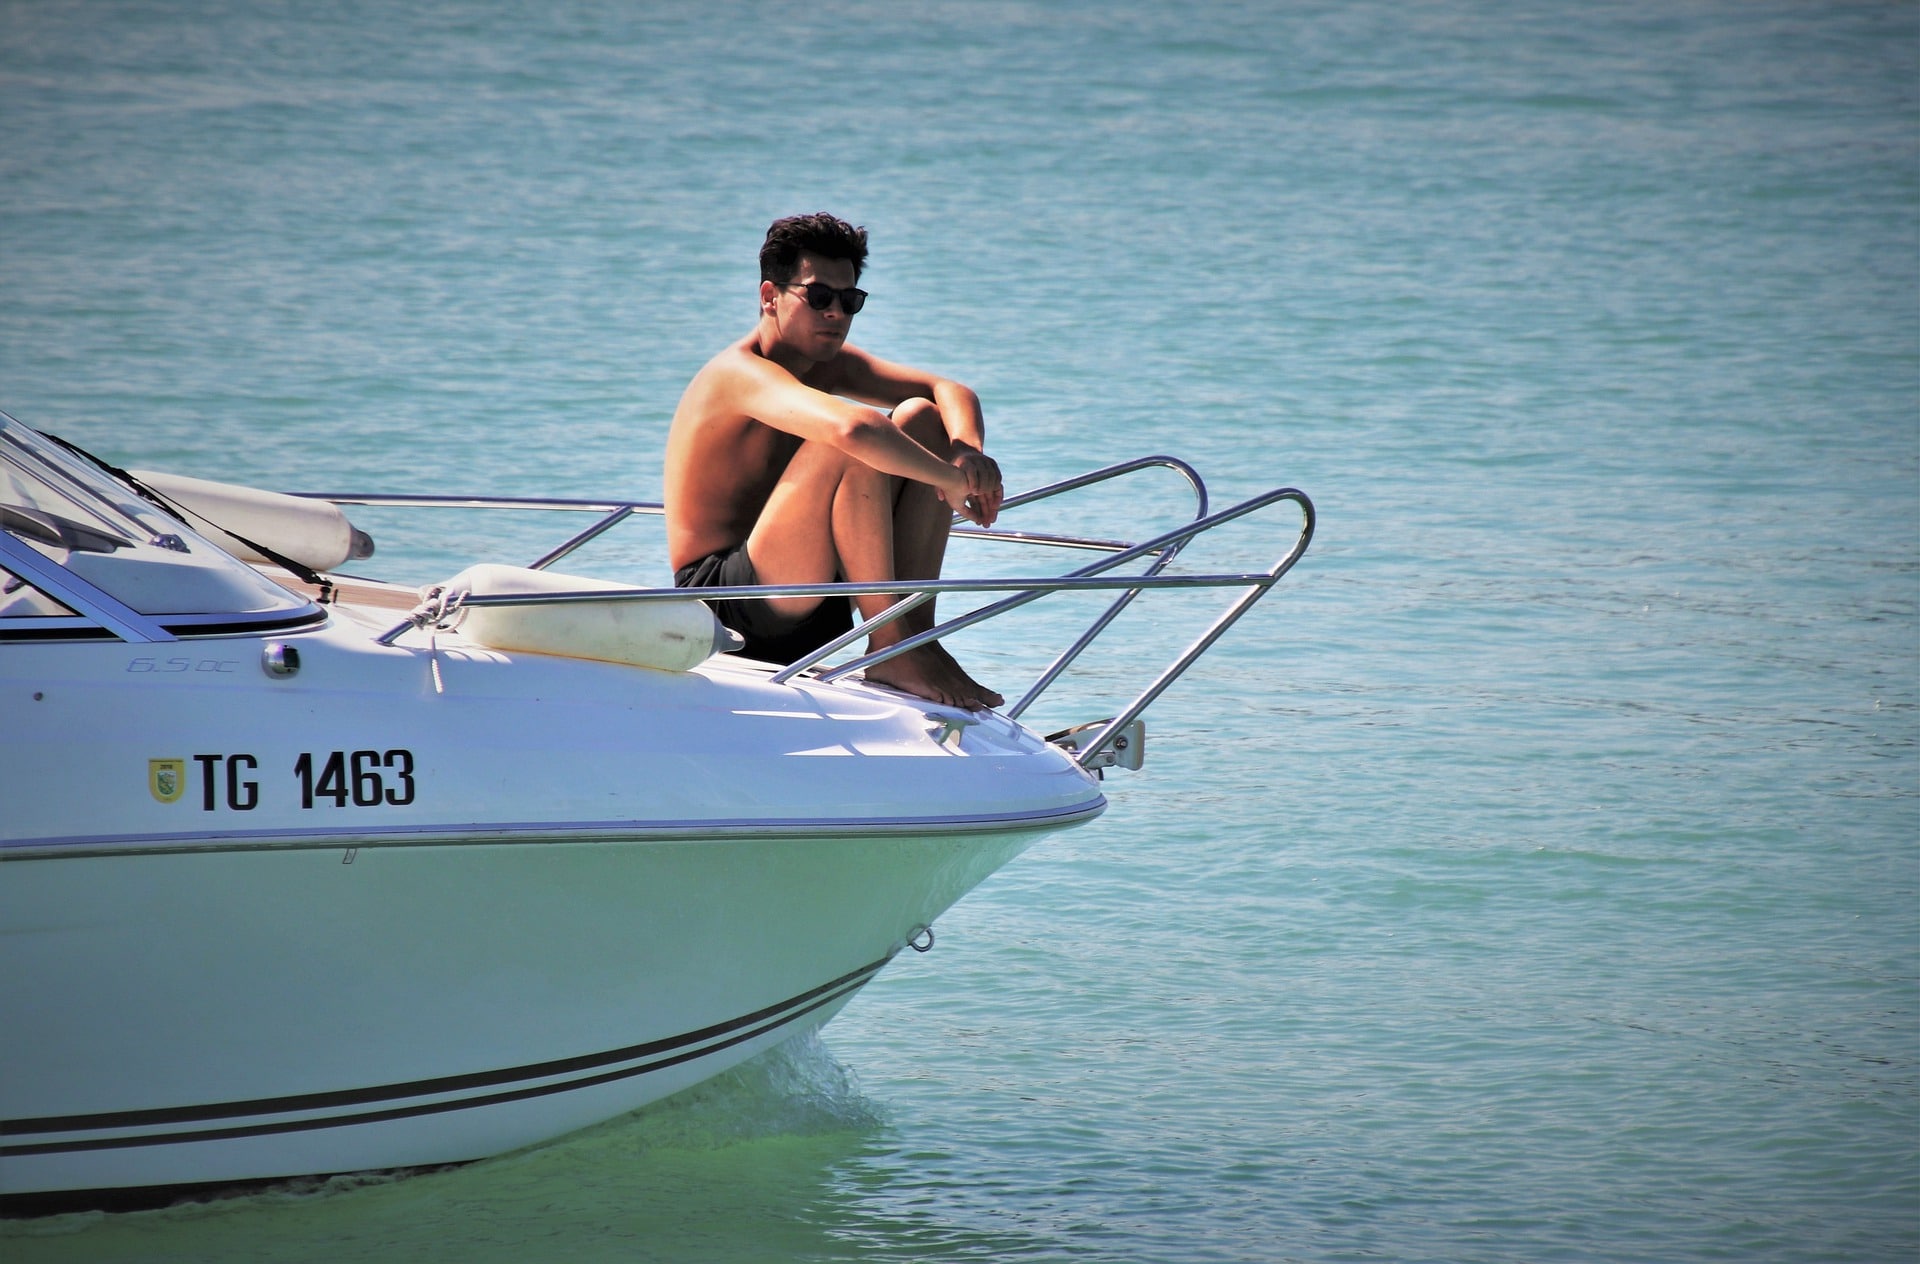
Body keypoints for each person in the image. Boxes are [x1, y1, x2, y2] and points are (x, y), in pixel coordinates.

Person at [664, 212, 1005, 710]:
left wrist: (966, 453)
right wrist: (950, 482)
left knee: (921, 419)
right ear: (769, 297)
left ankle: (914, 637)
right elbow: (853, 431)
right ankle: (891, 646)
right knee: (855, 437)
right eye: (819, 297)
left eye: (850, 301)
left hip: (807, 586)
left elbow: (948, 389)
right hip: (728, 604)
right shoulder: (737, 373)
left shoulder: (826, 366)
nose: (835, 314)